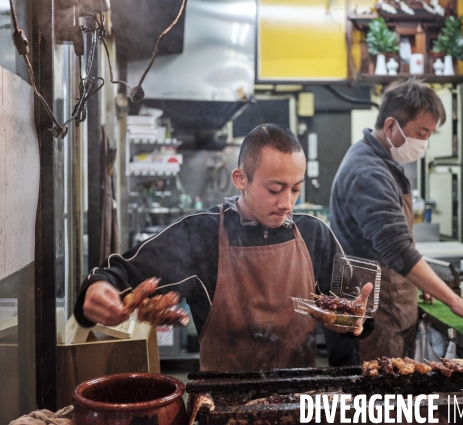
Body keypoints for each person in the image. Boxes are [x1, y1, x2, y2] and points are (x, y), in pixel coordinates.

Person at [75, 123, 373, 372]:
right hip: (221, 406)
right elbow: (119, 275)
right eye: (274, 189)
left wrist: (358, 324)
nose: (287, 204)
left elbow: (353, 313)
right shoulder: (200, 234)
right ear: (240, 179)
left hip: (296, 401)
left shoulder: (313, 234)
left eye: (296, 189)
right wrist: (97, 290)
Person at [329, 79, 463, 362]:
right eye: (421, 133)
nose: (424, 143)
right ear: (390, 127)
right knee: (380, 403)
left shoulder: (381, 160)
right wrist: (455, 301)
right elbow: (398, 249)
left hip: (388, 309)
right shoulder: (368, 172)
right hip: (372, 319)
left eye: (429, 135)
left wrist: (424, 282)